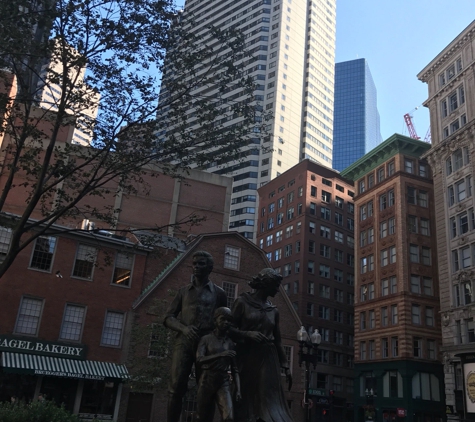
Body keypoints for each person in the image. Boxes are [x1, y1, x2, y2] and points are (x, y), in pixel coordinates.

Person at [164, 251, 228, 422]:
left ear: (210, 268)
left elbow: (225, 322)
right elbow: (168, 317)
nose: (196, 267)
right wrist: (184, 329)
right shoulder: (183, 292)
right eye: (194, 264)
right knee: (176, 387)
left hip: (208, 346)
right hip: (184, 342)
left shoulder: (219, 294)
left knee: (206, 389)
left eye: (201, 264)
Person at [231, 268, 293, 422]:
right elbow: (227, 328)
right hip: (246, 355)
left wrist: (285, 364)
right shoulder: (242, 302)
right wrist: (247, 334)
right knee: (245, 395)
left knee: (268, 396)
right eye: (276, 286)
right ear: (266, 284)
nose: (278, 290)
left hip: (268, 357)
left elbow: (278, 340)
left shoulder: (273, 311)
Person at [195, 307, 241, 422]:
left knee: (229, 417)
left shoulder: (230, 343)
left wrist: (238, 390)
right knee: (201, 417)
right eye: (223, 319)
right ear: (215, 321)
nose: (226, 323)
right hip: (207, 380)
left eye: (228, 320)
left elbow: (235, 369)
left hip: (223, 381)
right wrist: (221, 355)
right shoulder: (206, 339)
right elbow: (199, 359)